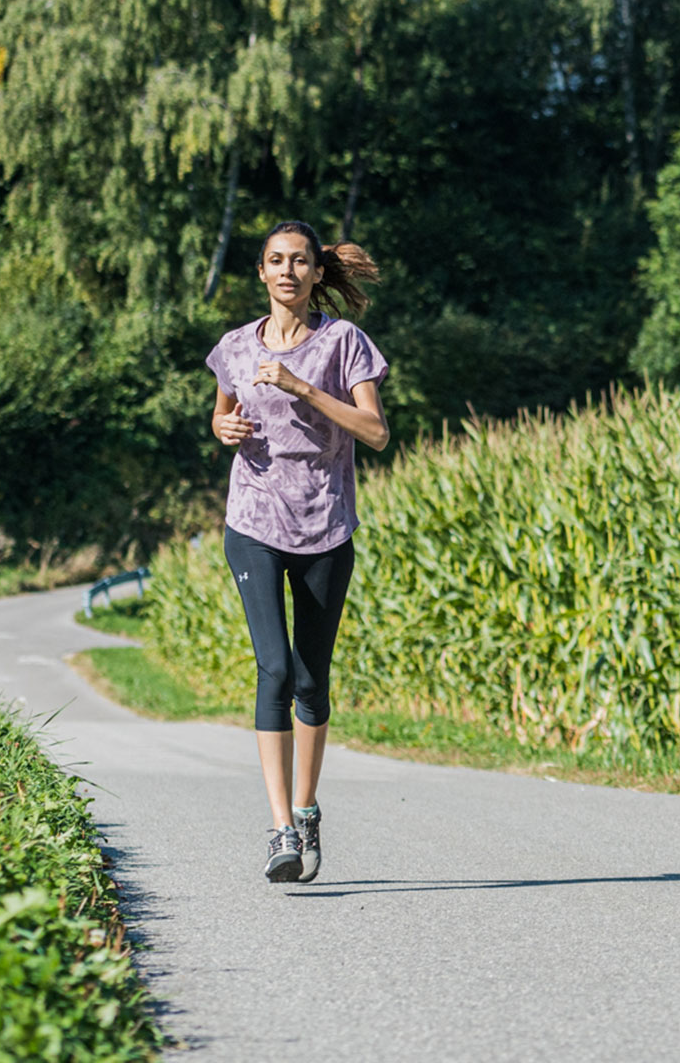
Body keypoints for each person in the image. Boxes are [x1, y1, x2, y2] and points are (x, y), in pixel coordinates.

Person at [207, 221, 391, 883]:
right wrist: (223, 426)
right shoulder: (233, 346)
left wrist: (303, 388)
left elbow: (375, 431)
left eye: (300, 261)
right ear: (261, 273)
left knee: (312, 679)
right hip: (252, 519)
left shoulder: (344, 344)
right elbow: (223, 412)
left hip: (325, 526)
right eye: (276, 261)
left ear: (317, 274)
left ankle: (308, 809)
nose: (287, 270)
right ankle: (281, 828)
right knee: (275, 670)